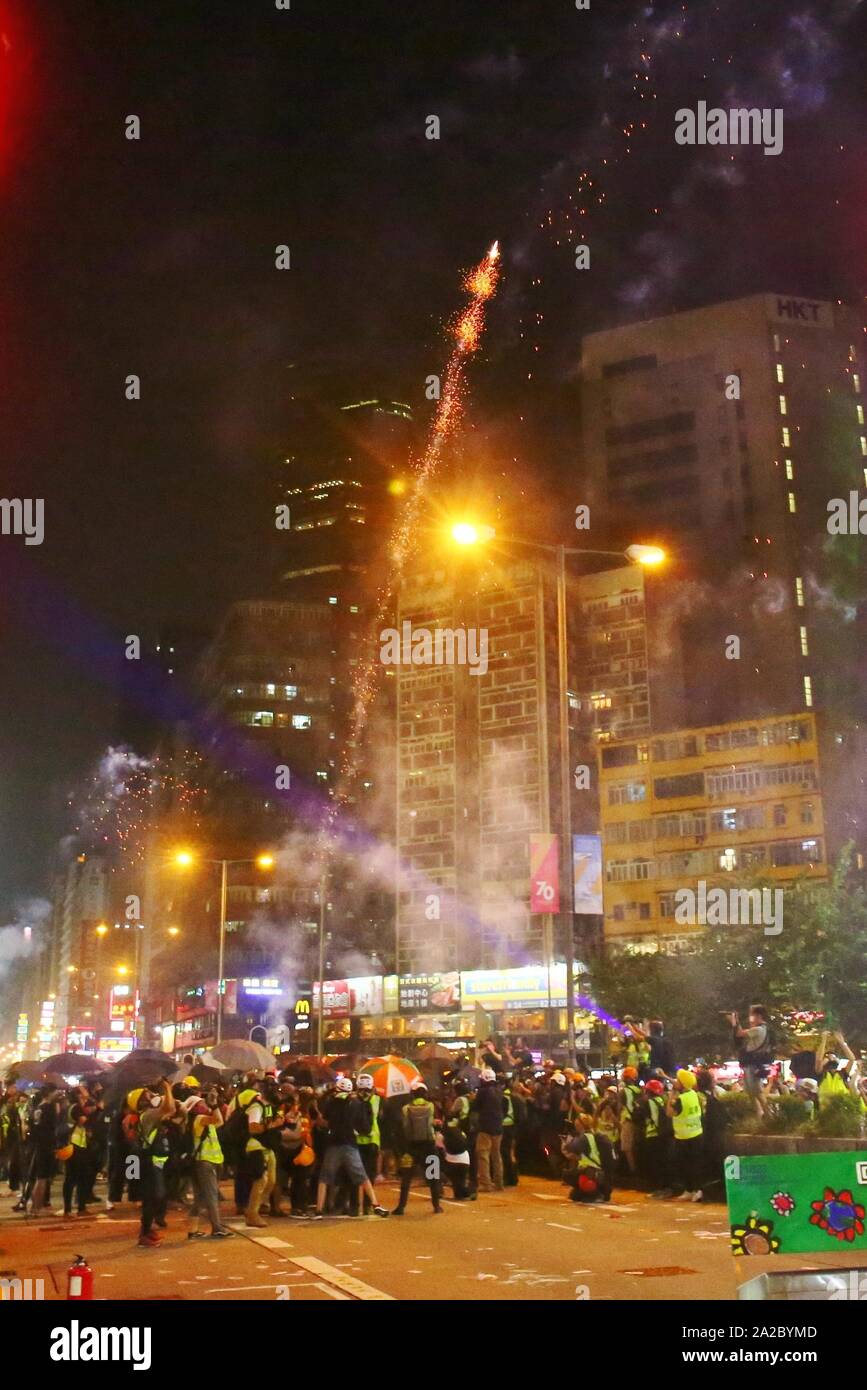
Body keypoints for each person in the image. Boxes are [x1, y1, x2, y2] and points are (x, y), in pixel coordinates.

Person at [314, 1077, 388, 1219]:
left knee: (325, 1177)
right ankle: (375, 1204)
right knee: (363, 1176)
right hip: (352, 1143)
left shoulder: (331, 1102)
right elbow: (364, 1126)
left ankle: (319, 1209)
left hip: (333, 1144)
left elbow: (325, 1120)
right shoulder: (357, 1103)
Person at [184, 1078, 234, 1240]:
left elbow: (219, 1123)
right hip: (205, 1161)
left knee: (201, 1197)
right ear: (195, 1108)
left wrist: (213, 1106)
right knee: (211, 1195)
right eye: (201, 1103)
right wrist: (213, 1105)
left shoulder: (200, 1119)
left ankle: (193, 1230)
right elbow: (219, 1120)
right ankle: (217, 1227)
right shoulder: (199, 1119)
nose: (204, 1104)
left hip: (203, 1161)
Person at [393, 1078, 442, 1215]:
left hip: (411, 1147)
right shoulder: (431, 1106)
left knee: (406, 1178)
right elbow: (435, 1123)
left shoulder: (405, 1108)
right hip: (429, 1146)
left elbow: (404, 1127)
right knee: (433, 1176)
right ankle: (436, 1206)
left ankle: (401, 1207)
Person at [135, 1080, 175, 1247]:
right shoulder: (149, 1115)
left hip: (153, 1162)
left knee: (156, 1196)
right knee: (154, 1195)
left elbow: (171, 1109)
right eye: (147, 1095)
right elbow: (169, 1108)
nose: (151, 1095)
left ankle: (147, 1230)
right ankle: (144, 1232)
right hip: (149, 1163)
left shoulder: (149, 1115)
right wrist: (167, 1088)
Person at [667, 1069, 704, 1202]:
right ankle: (692, 1190)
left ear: (682, 1084)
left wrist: (671, 1095)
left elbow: (669, 1113)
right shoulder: (693, 1094)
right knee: (693, 1164)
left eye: (678, 1080)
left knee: (688, 1165)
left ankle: (694, 1190)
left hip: (684, 1136)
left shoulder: (680, 1099)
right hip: (696, 1133)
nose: (675, 1082)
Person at [729, 1005, 772, 1103]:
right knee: (751, 1092)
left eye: (752, 1014)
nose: (750, 1017)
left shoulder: (758, 1029)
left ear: (758, 1016)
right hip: (754, 1062)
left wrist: (734, 1021)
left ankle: (767, 1114)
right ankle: (760, 1113)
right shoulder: (764, 1028)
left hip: (753, 1063)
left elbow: (739, 1033)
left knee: (757, 1091)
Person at [353, 1072, 381, 1215]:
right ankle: (367, 1204)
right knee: (369, 1174)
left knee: (354, 1173)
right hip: (372, 1140)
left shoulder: (353, 1100)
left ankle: (353, 1205)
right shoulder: (377, 1100)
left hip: (355, 1140)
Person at [473, 1067, 504, 1192]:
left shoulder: (483, 1091)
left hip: (485, 1127)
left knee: (483, 1155)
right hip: (498, 1127)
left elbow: (475, 1107)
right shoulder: (499, 1090)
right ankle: (499, 1183)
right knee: (496, 1156)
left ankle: (485, 1183)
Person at [816, 1031, 855, 1107]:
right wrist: (823, 1040)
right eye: (828, 1056)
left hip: (842, 1109)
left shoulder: (842, 1073)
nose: (831, 1058)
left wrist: (842, 1042)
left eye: (834, 1056)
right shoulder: (821, 1074)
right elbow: (818, 1059)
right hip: (826, 1111)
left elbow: (852, 1059)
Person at [618, 1066, 642, 1179]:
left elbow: (619, 1108)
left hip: (628, 1121)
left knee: (627, 1148)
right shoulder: (640, 1090)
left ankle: (634, 1172)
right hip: (639, 1122)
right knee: (637, 1147)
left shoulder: (623, 1092)